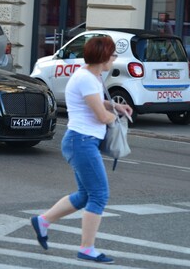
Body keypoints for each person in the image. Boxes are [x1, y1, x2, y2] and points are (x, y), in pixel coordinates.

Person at [30, 35, 133, 264]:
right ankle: (87, 248)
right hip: (82, 141)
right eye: (112, 54)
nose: (114, 59)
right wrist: (115, 118)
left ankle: (43, 221)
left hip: (83, 141)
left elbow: (98, 102)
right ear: (103, 56)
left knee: (85, 195)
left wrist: (115, 105)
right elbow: (100, 115)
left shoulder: (92, 76)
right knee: (99, 195)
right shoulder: (86, 78)